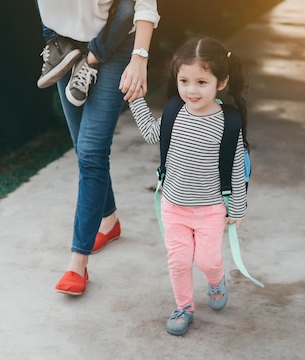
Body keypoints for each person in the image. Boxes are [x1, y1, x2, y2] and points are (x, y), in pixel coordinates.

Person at [35, 0, 160, 296]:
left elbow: (140, 5)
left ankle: (77, 263)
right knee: (84, 147)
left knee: (91, 151)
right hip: (65, 44)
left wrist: (139, 58)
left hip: (117, 44)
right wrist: (52, 40)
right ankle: (109, 220)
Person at [128, 36, 249, 336]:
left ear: (221, 82)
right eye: (184, 80)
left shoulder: (229, 123)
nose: (191, 90)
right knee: (179, 261)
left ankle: (215, 279)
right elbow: (151, 133)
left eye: (201, 82)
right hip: (174, 206)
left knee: (207, 260)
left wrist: (237, 208)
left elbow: (236, 169)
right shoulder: (174, 112)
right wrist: (134, 98)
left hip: (210, 209)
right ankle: (184, 307)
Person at [35, 0, 136, 107]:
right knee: (75, 123)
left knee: (93, 124)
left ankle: (89, 60)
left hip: (109, 35)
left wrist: (139, 57)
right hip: (65, 35)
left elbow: (131, 9)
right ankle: (56, 44)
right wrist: (51, 35)